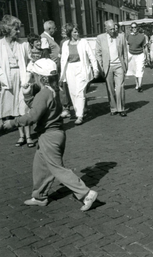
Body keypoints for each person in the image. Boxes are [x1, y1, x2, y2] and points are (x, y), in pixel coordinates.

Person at [2, 58, 98, 211]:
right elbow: (41, 109)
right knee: (40, 166)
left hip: (49, 136)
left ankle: (86, 193)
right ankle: (40, 196)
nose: (33, 79)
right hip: (56, 134)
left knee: (57, 168)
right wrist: (27, 97)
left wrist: (13, 122)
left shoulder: (43, 93)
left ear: (42, 77)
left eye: (34, 75)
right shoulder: (55, 90)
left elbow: (33, 116)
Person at [0, 15, 32, 147]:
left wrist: (28, 77)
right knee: (13, 109)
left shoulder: (23, 44)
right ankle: (21, 136)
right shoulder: (0, 45)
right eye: (16, 29)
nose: (18, 32)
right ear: (7, 29)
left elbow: (30, 62)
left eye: (19, 29)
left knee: (23, 107)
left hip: (22, 77)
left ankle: (29, 136)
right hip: (6, 78)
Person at [60, 23, 99, 125]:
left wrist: (95, 69)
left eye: (77, 31)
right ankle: (78, 111)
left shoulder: (83, 42)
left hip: (82, 68)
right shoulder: (65, 44)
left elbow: (91, 56)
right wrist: (62, 75)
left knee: (80, 92)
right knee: (73, 92)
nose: (77, 33)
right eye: (75, 32)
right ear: (70, 33)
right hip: (70, 69)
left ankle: (80, 116)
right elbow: (63, 60)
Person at [95, 20, 128, 117]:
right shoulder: (100, 38)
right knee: (110, 89)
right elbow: (98, 53)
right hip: (108, 66)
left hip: (119, 65)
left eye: (114, 28)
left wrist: (125, 65)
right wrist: (101, 67)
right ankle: (113, 108)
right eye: (111, 29)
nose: (113, 31)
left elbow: (125, 52)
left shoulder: (121, 36)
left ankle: (121, 108)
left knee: (120, 87)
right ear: (106, 29)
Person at [127, 22, 147, 92]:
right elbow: (127, 45)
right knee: (134, 70)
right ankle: (137, 84)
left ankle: (140, 86)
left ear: (137, 27)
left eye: (135, 27)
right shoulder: (128, 36)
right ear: (130, 28)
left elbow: (144, 47)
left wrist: (146, 56)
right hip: (131, 54)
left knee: (140, 69)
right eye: (132, 27)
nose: (134, 28)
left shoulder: (142, 36)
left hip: (140, 54)